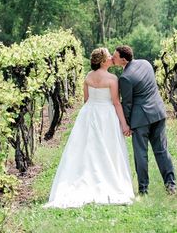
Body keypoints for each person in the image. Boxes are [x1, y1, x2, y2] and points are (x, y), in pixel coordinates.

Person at [44, 48, 134, 208]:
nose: (111, 58)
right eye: (108, 57)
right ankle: (107, 178)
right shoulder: (113, 79)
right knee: (107, 146)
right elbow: (116, 102)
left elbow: (86, 99)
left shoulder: (88, 77)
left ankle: (84, 176)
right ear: (102, 61)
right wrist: (124, 124)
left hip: (89, 112)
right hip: (106, 114)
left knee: (85, 146)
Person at [113, 45, 177, 195]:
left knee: (141, 153)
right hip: (158, 113)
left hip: (141, 119)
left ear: (123, 59)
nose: (112, 59)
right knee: (162, 150)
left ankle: (143, 189)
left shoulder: (125, 78)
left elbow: (127, 103)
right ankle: (171, 185)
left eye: (115, 57)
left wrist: (126, 123)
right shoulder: (146, 63)